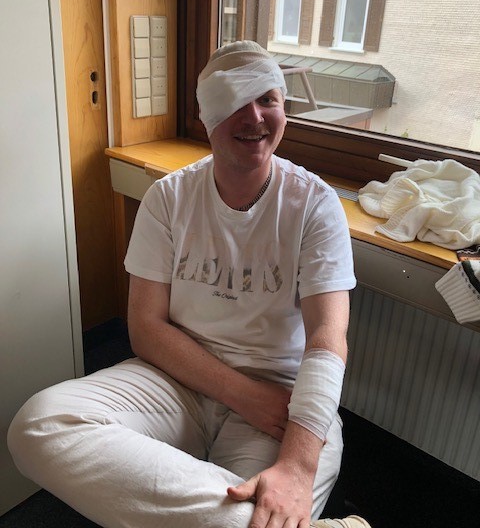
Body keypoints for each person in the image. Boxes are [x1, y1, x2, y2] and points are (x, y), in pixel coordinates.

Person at [8, 41, 366, 528]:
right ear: (206, 116)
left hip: (281, 398)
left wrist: (298, 468)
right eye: (236, 101)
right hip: (177, 379)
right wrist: (241, 394)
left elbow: (327, 339)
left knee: (263, 510)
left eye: (268, 99)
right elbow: (146, 328)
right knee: (38, 426)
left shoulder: (315, 205)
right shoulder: (168, 199)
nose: (255, 117)